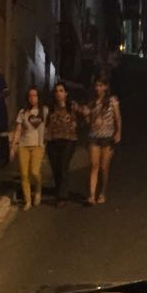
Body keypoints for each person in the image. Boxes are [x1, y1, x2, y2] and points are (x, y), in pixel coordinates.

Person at [80, 73, 121, 205]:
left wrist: (118, 132)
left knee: (104, 167)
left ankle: (102, 192)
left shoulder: (112, 101)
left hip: (107, 138)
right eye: (96, 85)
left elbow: (117, 117)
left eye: (101, 85)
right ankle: (91, 195)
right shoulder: (91, 102)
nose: (98, 88)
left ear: (106, 87)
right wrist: (86, 116)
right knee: (94, 165)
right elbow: (87, 122)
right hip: (94, 137)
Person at [9, 86, 48, 209]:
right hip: (23, 145)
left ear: (38, 97)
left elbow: (48, 126)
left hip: (38, 145)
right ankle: (27, 201)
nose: (32, 98)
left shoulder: (44, 110)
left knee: (34, 171)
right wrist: (13, 146)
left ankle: (38, 189)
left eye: (35, 95)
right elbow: (18, 129)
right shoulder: (23, 112)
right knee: (24, 174)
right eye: (30, 96)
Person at [45, 82, 79, 206]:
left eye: (61, 91)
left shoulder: (72, 106)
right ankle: (59, 190)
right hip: (53, 140)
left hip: (69, 140)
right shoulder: (50, 107)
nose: (58, 94)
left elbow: (84, 113)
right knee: (55, 168)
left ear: (66, 93)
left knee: (63, 166)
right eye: (56, 91)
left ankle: (62, 196)